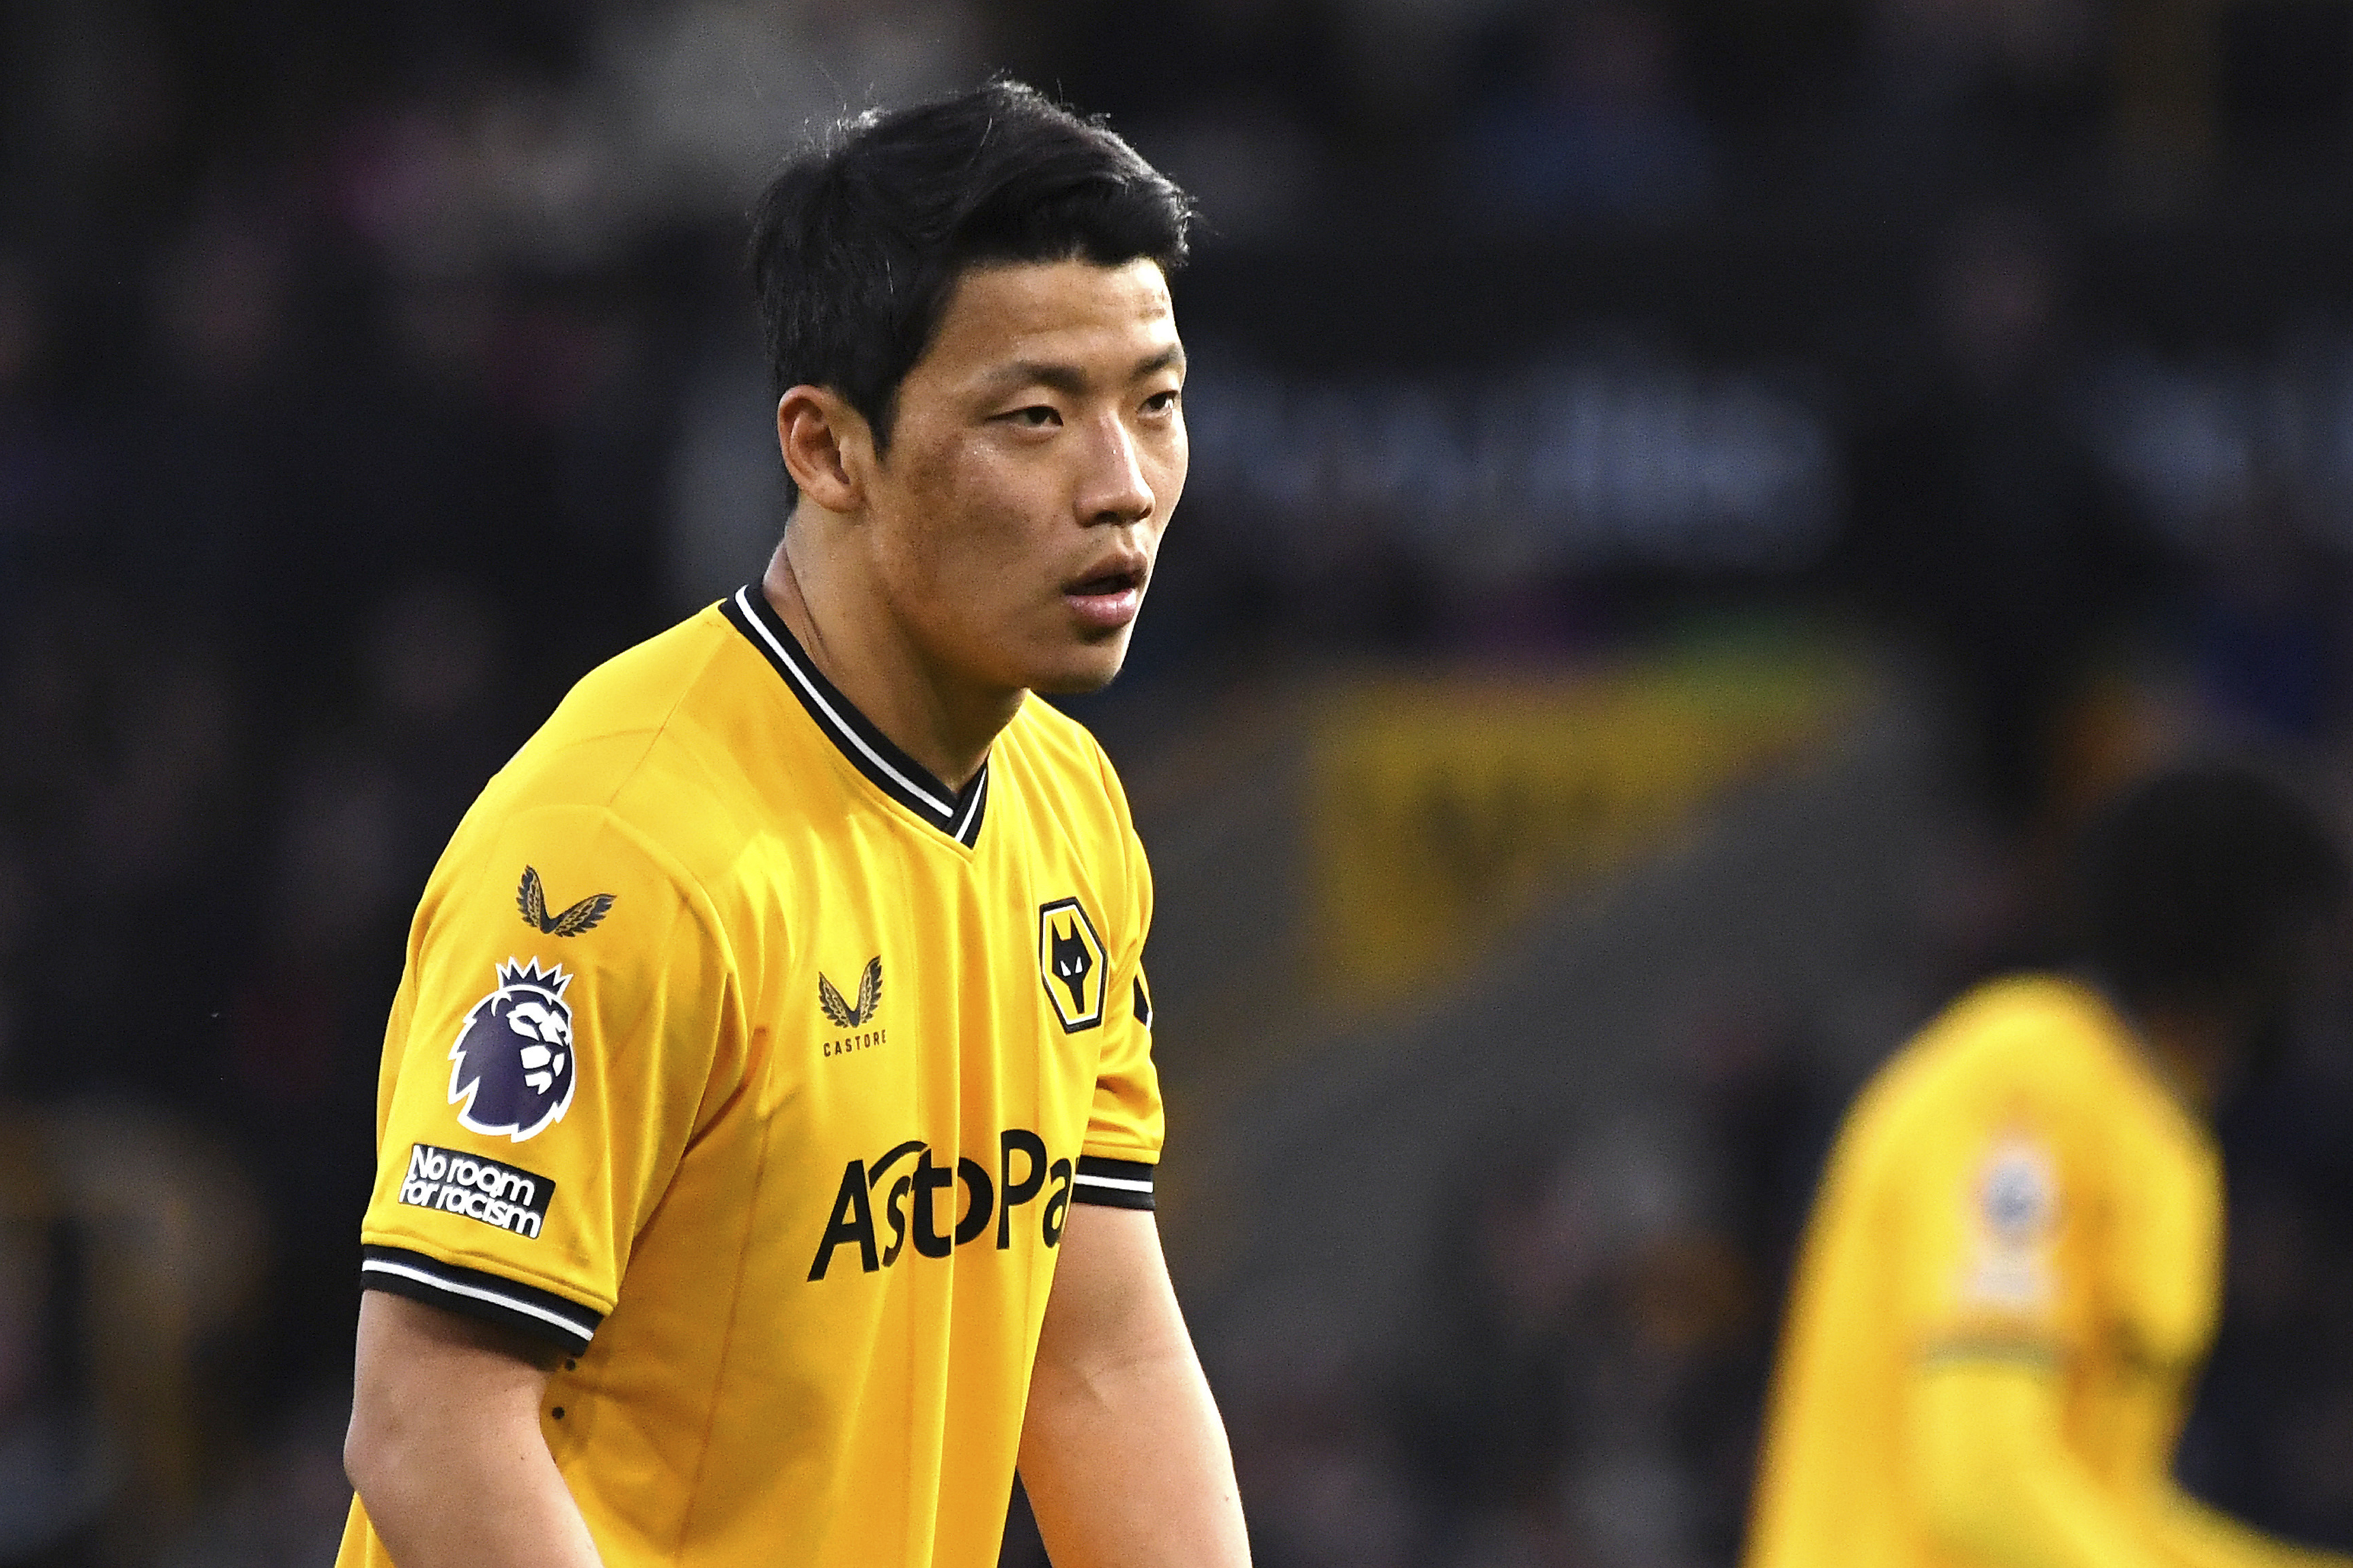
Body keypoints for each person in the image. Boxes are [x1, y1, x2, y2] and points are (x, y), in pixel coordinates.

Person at [335, 81, 1250, 1568]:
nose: (1126, 487)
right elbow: (431, 1416)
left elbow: (1098, 1357)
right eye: (1035, 417)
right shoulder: (618, 855)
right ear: (827, 451)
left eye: (1153, 402)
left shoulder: (1067, 807)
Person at [1746, 762, 2353, 1568]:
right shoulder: (2024, 1093)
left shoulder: (2162, 1141)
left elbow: (2098, 1506)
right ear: (2261, 945)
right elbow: (1981, 1481)